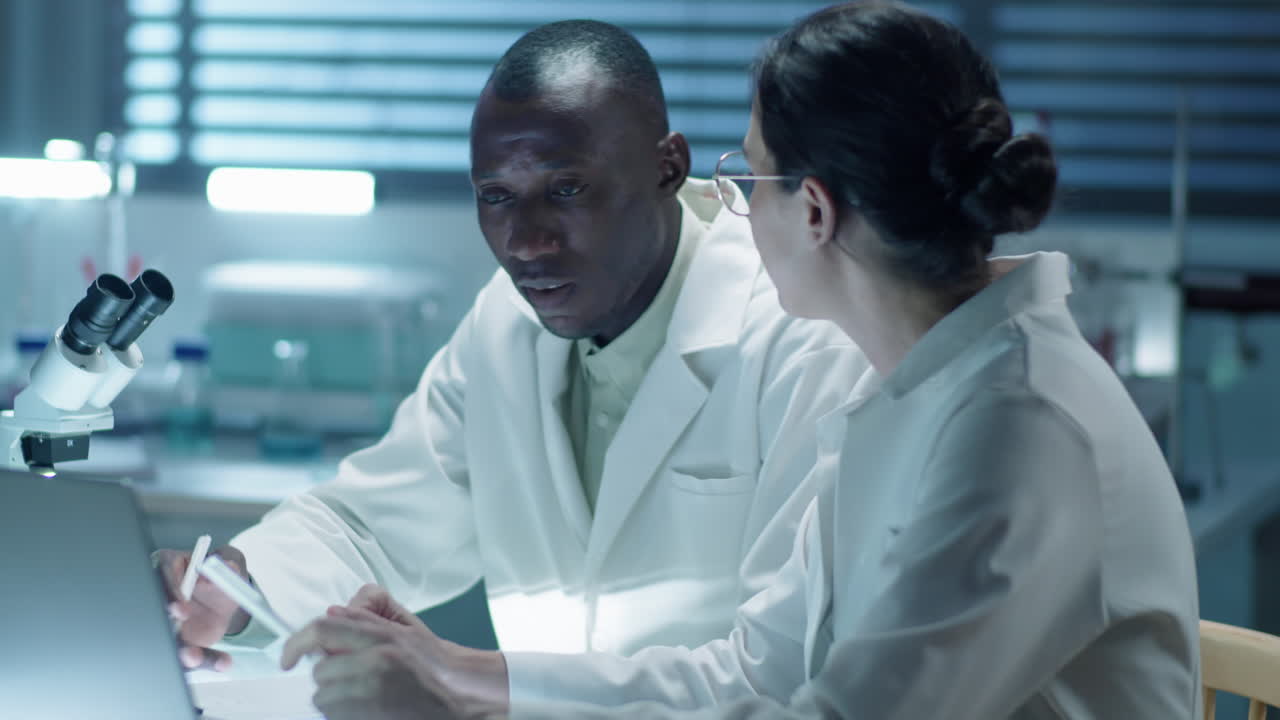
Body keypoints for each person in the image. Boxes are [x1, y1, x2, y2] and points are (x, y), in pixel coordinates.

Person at [280, 3, 1201, 719]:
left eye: (746, 176)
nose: (727, 206)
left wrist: (455, 702)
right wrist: (465, 674)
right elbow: (756, 672)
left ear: (813, 211)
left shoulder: (1023, 427)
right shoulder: (915, 392)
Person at [156, 17, 869, 686]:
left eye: (567, 189)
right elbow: (370, 525)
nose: (527, 241)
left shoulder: (795, 333)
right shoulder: (506, 324)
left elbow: (777, 674)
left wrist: (471, 682)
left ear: (668, 168)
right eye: (496, 196)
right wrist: (234, 587)